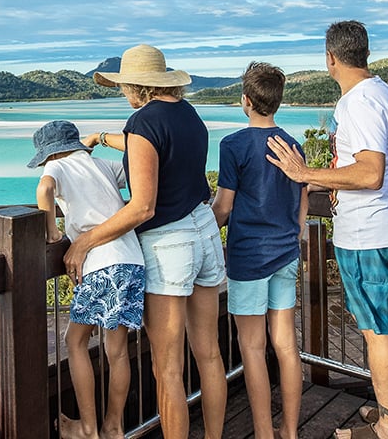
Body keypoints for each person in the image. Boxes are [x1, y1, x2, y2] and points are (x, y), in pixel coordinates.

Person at [266, 21, 388, 439]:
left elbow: (372, 172)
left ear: (330, 58)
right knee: (379, 328)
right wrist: (313, 179)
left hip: (367, 233)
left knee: (377, 331)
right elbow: (358, 168)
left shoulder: (360, 102)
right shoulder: (383, 92)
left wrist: (304, 170)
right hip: (380, 227)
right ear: (365, 52)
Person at [63, 44, 228, 439]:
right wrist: (104, 137)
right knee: (208, 354)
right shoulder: (189, 115)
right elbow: (149, 148)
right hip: (205, 230)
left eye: (124, 86)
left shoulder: (142, 122)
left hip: (170, 246)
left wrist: (84, 243)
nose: (123, 93)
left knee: (167, 368)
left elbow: (142, 208)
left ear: (138, 86)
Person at [29, 120, 146, 439]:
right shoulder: (101, 164)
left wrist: (52, 231)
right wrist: (100, 139)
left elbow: (44, 190)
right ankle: (114, 427)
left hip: (102, 264)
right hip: (132, 261)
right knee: (117, 350)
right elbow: (138, 151)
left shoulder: (58, 167)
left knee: (75, 341)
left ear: (49, 155)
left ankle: (89, 429)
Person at [210, 62, 308, 439]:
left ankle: (265, 433)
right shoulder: (292, 144)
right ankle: (290, 430)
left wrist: (201, 230)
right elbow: (301, 198)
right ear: (278, 102)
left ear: (245, 100)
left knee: (251, 348)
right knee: (286, 345)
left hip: (249, 257)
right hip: (285, 252)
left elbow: (223, 208)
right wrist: (295, 234)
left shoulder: (233, 145)